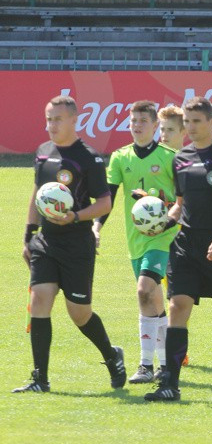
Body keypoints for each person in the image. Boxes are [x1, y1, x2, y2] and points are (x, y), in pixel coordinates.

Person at [144, 96, 212, 401]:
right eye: (187, 122)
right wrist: (160, 222)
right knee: (178, 307)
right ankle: (170, 384)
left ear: (211, 120)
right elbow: (180, 207)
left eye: (196, 121)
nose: (190, 128)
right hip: (185, 247)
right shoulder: (181, 159)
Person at [14, 95, 126, 393]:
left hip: (77, 245)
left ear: (74, 120)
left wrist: (76, 215)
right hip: (46, 242)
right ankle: (40, 378)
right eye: (48, 119)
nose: (50, 125)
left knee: (79, 313)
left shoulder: (89, 157)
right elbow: (38, 194)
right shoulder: (42, 152)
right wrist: (29, 235)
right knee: (39, 301)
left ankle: (112, 355)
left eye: (57, 119)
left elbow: (104, 203)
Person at [93, 101, 178, 384]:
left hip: (164, 239)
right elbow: (109, 197)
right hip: (136, 242)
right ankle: (160, 366)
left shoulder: (170, 157)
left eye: (143, 120)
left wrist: (167, 221)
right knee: (152, 300)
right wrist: (96, 226)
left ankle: (145, 364)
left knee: (144, 290)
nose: (137, 125)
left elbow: (183, 200)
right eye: (133, 120)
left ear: (155, 126)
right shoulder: (120, 158)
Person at [157, 104, 191, 367]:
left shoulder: (189, 162)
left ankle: (177, 348)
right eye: (161, 129)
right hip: (157, 237)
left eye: (170, 130)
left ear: (183, 132)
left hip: (183, 238)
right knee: (156, 293)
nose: (163, 135)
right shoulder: (157, 159)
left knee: (176, 298)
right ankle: (167, 348)